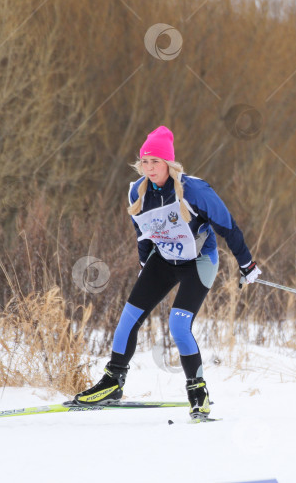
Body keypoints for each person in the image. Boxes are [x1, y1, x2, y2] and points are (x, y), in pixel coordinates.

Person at [73, 125, 261, 419]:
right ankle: (112, 382)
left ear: (169, 164)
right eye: (144, 162)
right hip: (163, 259)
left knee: (178, 324)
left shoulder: (195, 190)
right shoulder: (137, 190)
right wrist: (145, 263)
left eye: (155, 162)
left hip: (199, 262)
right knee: (127, 320)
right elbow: (142, 232)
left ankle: (198, 393)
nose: (149, 168)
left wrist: (246, 264)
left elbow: (228, 226)